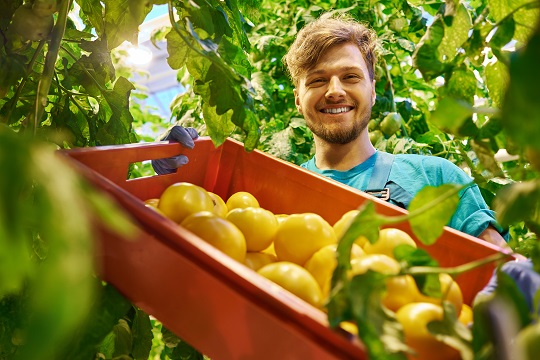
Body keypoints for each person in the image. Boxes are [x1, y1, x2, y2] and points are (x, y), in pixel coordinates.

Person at [153, 13, 507, 248]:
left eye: (350, 76)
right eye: (317, 80)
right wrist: (179, 181)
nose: (334, 90)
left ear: (373, 87)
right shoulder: (273, 193)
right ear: (297, 99)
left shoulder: (437, 180)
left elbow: (497, 267)